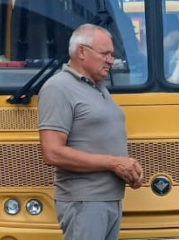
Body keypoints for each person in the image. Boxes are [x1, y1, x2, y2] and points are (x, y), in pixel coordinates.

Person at [38, 24, 144, 240]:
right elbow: (52, 152)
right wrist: (114, 163)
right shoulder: (58, 88)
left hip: (107, 200)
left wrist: (128, 168)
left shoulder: (98, 87)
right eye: (105, 54)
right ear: (82, 52)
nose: (111, 60)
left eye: (112, 55)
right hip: (84, 202)